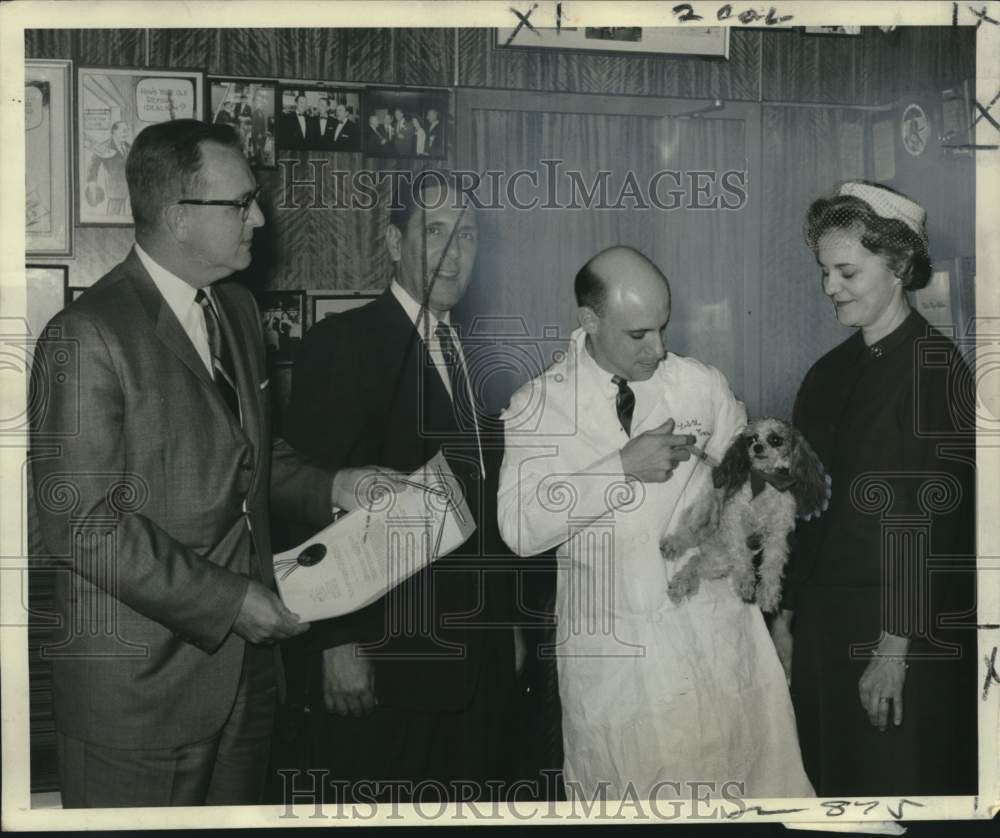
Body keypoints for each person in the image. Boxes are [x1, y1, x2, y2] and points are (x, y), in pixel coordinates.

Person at [29, 119, 392, 808]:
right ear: (176, 216)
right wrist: (229, 601)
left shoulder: (237, 310)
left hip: (247, 688)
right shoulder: (85, 336)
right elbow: (81, 524)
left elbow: (251, 459)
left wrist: (337, 484)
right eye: (240, 203)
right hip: (138, 703)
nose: (259, 217)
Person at [497, 246, 814, 801]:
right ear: (590, 321)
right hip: (616, 664)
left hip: (711, 641)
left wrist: (757, 491)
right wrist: (622, 466)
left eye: (662, 328)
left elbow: (747, 489)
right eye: (639, 334)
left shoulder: (700, 386)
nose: (659, 348)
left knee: (744, 798)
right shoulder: (538, 406)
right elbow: (519, 529)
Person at [284, 170, 517, 803]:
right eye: (434, 230)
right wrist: (336, 644)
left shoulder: (479, 352)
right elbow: (305, 501)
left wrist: (508, 630)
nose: (453, 252)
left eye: (466, 234)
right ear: (393, 241)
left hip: (477, 668)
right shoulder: (344, 344)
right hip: (385, 666)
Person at [771, 181, 978, 796]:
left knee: (894, 789)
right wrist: (784, 617)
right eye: (825, 272)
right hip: (823, 626)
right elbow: (801, 505)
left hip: (900, 633)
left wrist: (893, 651)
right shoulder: (827, 373)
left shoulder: (936, 370)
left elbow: (929, 523)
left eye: (847, 272)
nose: (830, 286)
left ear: (900, 268)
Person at [85, 120, 131, 216]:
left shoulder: (128, 146)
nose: (126, 134)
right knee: (113, 216)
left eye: (127, 131)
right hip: (115, 190)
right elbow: (93, 166)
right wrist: (92, 184)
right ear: (114, 132)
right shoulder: (104, 146)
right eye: (123, 131)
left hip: (128, 190)